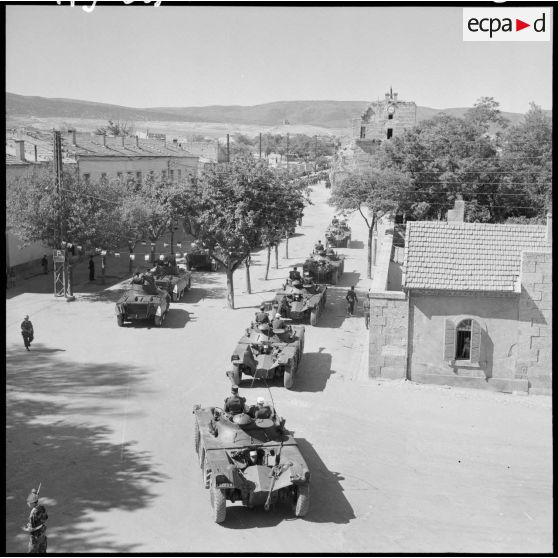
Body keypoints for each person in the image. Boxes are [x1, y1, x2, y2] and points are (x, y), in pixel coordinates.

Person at [23, 487, 48, 554]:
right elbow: (45, 518)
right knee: (42, 551)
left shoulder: (33, 514)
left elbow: (31, 528)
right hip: (42, 533)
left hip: (35, 537)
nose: (28, 503)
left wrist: (26, 529)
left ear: (33, 503)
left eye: (29, 502)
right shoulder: (42, 507)